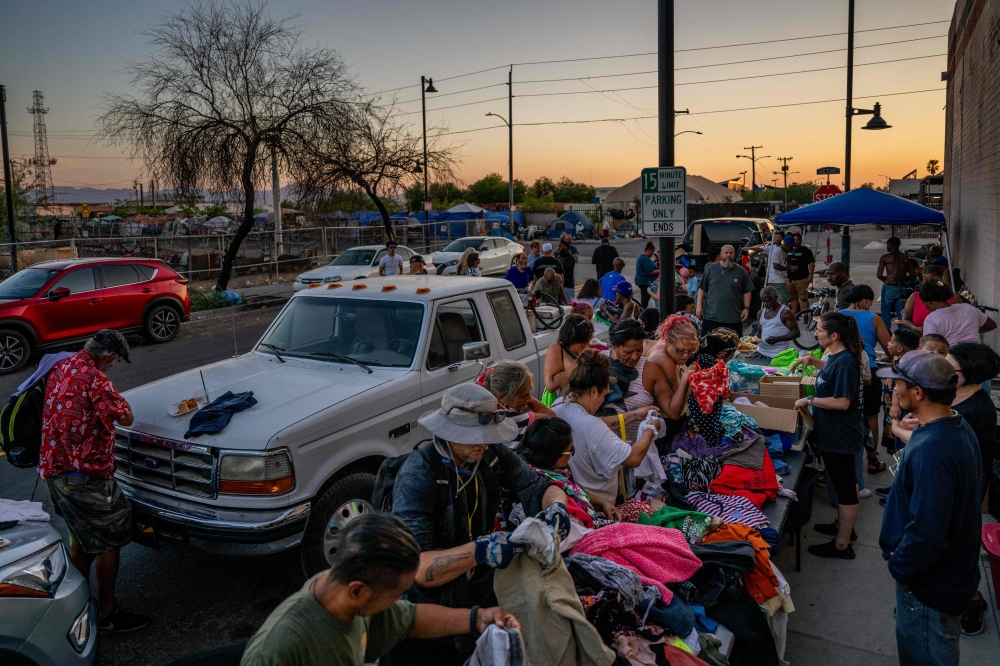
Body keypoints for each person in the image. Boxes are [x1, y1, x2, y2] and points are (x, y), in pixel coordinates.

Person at [388, 384, 568, 664]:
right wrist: (481, 551)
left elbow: (538, 485)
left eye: (485, 436)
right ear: (447, 431)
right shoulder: (418, 475)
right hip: (428, 609)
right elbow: (419, 569)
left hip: (472, 590)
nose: (481, 443)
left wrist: (557, 506)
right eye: (472, 436)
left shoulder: (490, 454)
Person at [241, 512, 519, 666]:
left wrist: (477, 618)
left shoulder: (343, 592)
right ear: (357, 591)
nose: (401, 600)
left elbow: (409, 618)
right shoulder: (276, 652)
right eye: (396, 594)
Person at [39, 330, 150, 634]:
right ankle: (107, 613)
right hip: (85, 479)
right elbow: (125, 417)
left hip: (55, 473)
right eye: (114, 358)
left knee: (81, 538)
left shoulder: (62, 366)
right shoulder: (96, 379)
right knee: (109, 539)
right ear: (107, 355)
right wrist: (117, 399)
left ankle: (77, 608)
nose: (113, 364)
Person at [876, 351, 981, 665]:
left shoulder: (934, 450)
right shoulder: (952, 426)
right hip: (937, 582)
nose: (894, 389)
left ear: (918, 393)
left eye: (899, 385)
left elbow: (928, 531)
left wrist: (902, 571)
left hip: (929, 589)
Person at [793, 313, 866, 559]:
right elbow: (831, 371)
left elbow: (843, 402)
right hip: (834, 435)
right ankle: (843, 528)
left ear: (834, 336)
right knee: (846, 482)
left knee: (845, 488)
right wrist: (813, 360)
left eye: (819, 330)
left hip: (841, 437)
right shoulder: (835, 357)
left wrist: (810, 399)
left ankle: (842, 545)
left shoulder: (846, 362)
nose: (815, 333)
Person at [551, 350, 663, 505]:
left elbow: (597, 422)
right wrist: (650, 428)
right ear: (593, 391)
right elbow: (633, 458)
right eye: (604, 395)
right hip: (598, 506)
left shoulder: (560, 405)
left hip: (576, 497)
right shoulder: (592, 426)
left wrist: (635, 415)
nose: (603, 399)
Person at [945, 343, 1000, 635]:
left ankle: (972, 602)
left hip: (961, 490)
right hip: (945, 483)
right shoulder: (953, 393)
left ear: (969, 374)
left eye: (950, 367)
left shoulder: (977, 409)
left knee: (956, 551)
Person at [517, 417, 621, 523]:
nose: (572, 453)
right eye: (570, 450)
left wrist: (602, 503)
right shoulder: (542, 485)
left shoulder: (550, 470)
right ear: (553, 455)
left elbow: (573, 490)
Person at [840, 285, 892, 474]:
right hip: (867, 368)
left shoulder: (838, 315)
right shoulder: (874, 318)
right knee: (871, 416)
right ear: (865, 300)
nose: (871, 304)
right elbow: (889, 347)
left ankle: (846, 456)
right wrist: (889, 357)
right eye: (870, 301)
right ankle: (872, 459)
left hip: (843, 368)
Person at [642, 315, 699, 449]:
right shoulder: (665, 362)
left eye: (690, 351)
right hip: (665, 427)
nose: (685, 356)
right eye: (680, 351)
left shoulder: (661, 345)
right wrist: (687, 380)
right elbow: (673, 413)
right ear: (668, 341)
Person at [602, 318, 659, 441]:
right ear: (614, 346)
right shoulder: (596, 363)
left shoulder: (651, 369)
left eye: (639, 350)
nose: (634, 357)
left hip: (640, 447)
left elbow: (671, 412)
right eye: (628, 352)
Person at [479, 359, 554, 448]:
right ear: (502, 397)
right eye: (523, 396)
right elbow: (551, 417)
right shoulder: (515, 421)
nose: (529, 398)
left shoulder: (481, 410)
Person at [696, 244, 753, 335]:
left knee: (734, 345)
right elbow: (702, 288)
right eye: (726, 253)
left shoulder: (740, 271)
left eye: (731, 253)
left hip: (733, 319)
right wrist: (699, 305)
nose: (728, 255)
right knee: (707, 345)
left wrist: (746, 308)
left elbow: (747, 290)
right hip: (711, 317)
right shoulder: (711, 269)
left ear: (734, 254)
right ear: (721, 254)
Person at [920, 280, 997, 346]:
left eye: (923, 303)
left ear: (929, 302)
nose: (924, 306)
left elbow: (929, 345)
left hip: (953, 357)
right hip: (976, 354)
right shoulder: (968, 308)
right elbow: (991, 324)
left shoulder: (931, 319)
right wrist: (969, 331)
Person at [543, 314, 593, 395]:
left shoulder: (582, 350)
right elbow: (550, 385)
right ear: (572, 338)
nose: (587, 345)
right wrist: (580, 367)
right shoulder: (557, 349)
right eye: (582, 344)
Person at [899, 265, 955, 333]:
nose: (929, 283)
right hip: (921, 340)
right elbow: (905, 320)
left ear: (940, 278)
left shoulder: (952, 297)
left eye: (932, 280)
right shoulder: (915, 297)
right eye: (925, 280)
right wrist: (915, 328)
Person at [876, 237, 916, 329]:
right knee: (901, 313)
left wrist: (886, 280)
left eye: (888, 245)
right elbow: (913, 276)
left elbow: (879, 274)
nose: (887, 247)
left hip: (889, 286)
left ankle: (886, 333)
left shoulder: (885, 258)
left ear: (891, 245)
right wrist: (904, 279)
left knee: (885, 311)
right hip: (902, 287)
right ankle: (901, 334)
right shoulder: (905, 258)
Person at [755, 285, 800, 360]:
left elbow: (796, 332)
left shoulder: (785, 313)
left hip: (778, 354)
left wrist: (778, 339)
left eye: (768, 300)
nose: (765, 304)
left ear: (776, 298)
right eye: (763, 301)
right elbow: (759, 332)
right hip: (761, 351)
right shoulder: (760, 313)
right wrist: (752, 341)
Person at [784, 235, 815, 314]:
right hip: (790, 278)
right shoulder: (788, 250)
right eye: (794, 240)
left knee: (803, 298)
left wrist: (810, 275)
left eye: (798, 240)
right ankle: (794, 315)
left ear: (801, 241)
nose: (796, 241)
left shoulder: (806, 251)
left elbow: (811, 263)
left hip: (802, 278)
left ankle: (806, 316)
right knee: (793, 298)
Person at [761, 234, 790, 304]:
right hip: (777, 279)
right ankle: (782, 314)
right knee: (784, 299)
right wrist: (789, 268)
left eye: (779, 237)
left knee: (777, 298)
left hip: (779, 278)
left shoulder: (783, 251)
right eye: (775, 237)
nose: (777, 239)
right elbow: (776, 266)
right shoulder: (776, 250)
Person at [634, 242, 660, 309]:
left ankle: (643, 309)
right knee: (645, 299)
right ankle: (643, 311)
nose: (652, 254)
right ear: (648, 250)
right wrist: (663, 271)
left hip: (642, 280)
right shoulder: (645, 258)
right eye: (652, 252)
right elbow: (651, 271)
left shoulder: (642, 256)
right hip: (645, 281)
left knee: (645, 298)